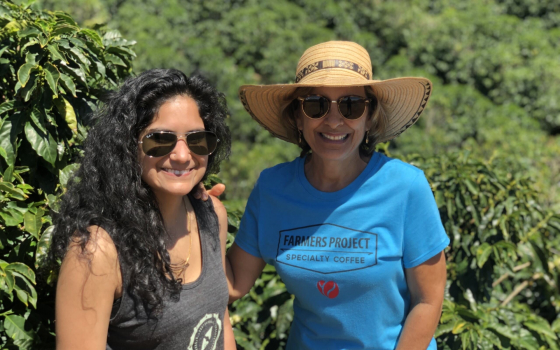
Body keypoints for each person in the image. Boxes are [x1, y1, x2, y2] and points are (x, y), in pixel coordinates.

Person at [226, 41, 450, 349]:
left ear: (370, 116)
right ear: (298, 116)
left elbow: (428, 300)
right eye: (316, 104)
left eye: (351, 105)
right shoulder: (272, 188)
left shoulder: (405, 187)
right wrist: (195, 219)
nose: (333, 120)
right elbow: (234, 282)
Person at [50, 69, 236, 350]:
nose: (183, 155)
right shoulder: (97, 252)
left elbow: (219, 321)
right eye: (160, 140)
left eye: (198, 140)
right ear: (127, 147)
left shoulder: (211, 216)